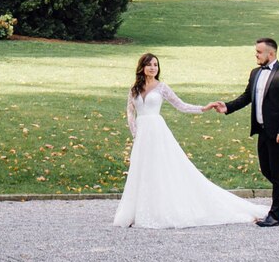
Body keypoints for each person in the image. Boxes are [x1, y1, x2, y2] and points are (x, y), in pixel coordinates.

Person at [113, 52, 268, 229]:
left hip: (157, 132)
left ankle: (159, 210)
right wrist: (135, 134)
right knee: (141, 171)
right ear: (142, 67)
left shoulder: (162, 87)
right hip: (142, 135)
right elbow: (130, 113)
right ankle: (137, 211)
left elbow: (181, 105)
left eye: (155, 65)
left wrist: (203, 108)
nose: (153, 68)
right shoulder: (134, 89)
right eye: (149, 64)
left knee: (159, 168)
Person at [209, 37, 279, 227]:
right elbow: (247, 96)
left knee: (278, 173)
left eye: (259, 52)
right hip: (262, 130)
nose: (256, 55)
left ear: (270, 54)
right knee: (267, 170)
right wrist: (227, 107)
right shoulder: (255, 73)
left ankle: (274, 215)